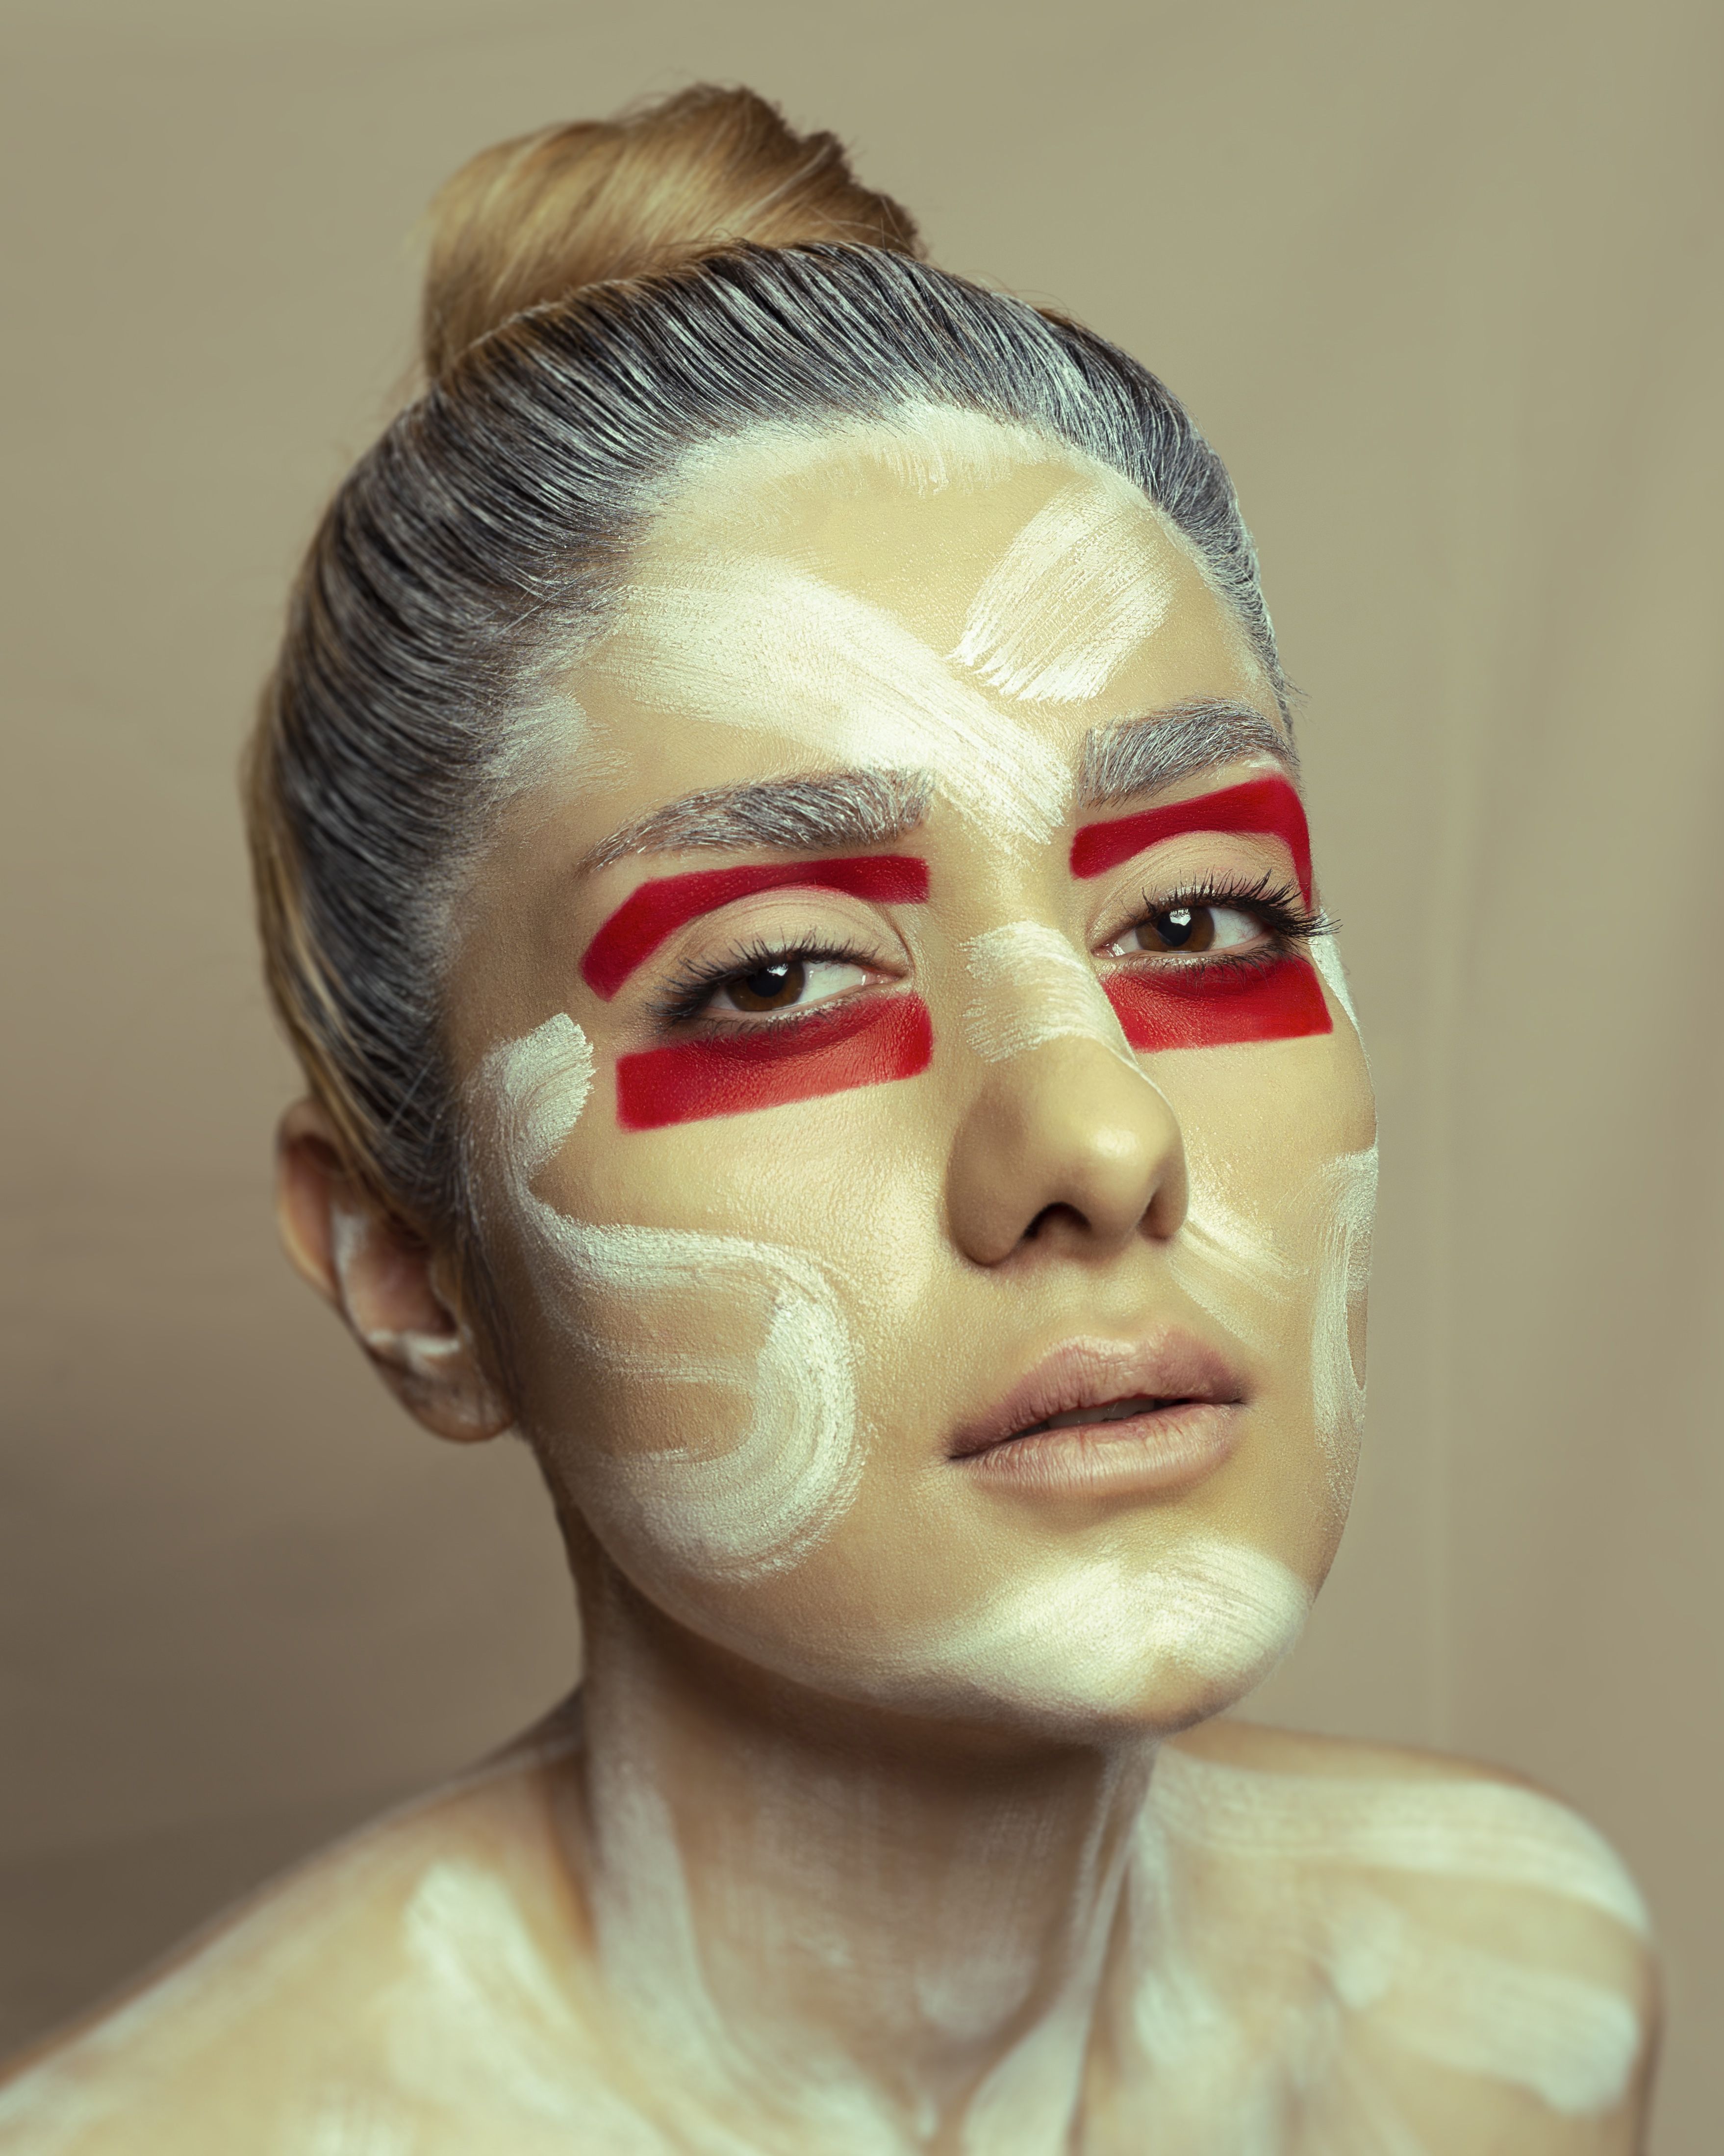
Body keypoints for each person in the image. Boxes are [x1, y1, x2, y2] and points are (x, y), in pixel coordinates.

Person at [0, 83, 1658, 2155]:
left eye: (1198, 917)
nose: (1100, 1141)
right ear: (412, 1268)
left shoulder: (1501, 2016)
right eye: (775, 973)